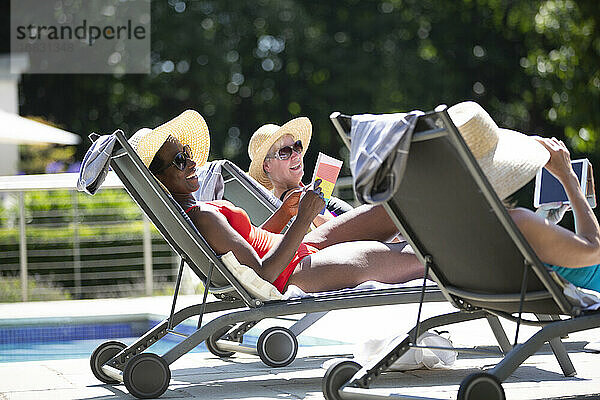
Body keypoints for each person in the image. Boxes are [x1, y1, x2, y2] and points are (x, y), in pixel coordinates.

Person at [128, 110, 424, 294]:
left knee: (391, 209)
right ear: (160, 179)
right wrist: (305, 219)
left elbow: (252, 241)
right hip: (294, 270)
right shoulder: (203, 216)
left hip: (298, 248)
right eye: (180, 160)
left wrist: (285, 213)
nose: (192, 162)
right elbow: (263, 275)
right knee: (421, 259)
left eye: (188, 152)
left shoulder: (200, 212)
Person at [448, 101, 600, 292]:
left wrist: (541, 223)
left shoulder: (455, 232)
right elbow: (595, 251)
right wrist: (569, 178)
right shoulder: (519, 222)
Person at [247, 117, 353, 227]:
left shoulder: (303, 196)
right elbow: (338, 231)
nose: (297, 155)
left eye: (297, 147)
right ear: (267, 165)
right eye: (285, 152)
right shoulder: (294, 201)